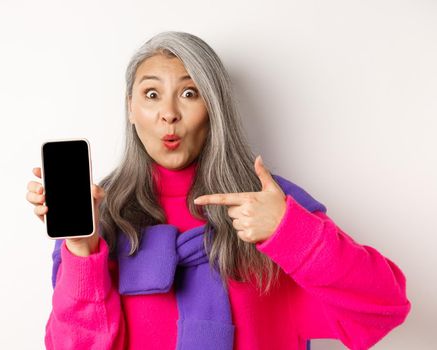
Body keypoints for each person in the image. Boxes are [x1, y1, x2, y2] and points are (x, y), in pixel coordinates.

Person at [26, 31, 411, 350]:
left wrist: (290, 232)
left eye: (190, 93)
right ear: (130, 108)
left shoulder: (269, 201)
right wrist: (80, 250)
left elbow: (385, 307)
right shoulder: (99, 215)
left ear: (215, 107)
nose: (169, 114)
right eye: (151, 94)